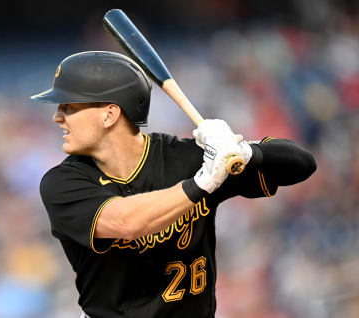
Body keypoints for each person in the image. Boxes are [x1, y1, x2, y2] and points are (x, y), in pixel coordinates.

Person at [31, 51, 316, 318]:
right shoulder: (62, 183)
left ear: (109, 114)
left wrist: (247, 152)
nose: (58, 117)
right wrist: (202, 184)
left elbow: (302, 164)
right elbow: (127, 223)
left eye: (68, 106)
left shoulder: (187, 159)